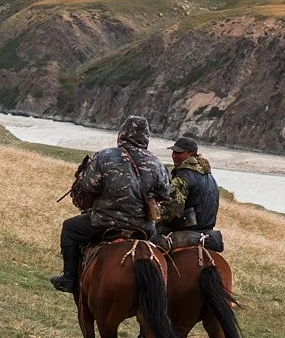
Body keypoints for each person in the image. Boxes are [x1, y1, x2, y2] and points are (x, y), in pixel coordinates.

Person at [50, 115, 170, 294]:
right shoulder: (157, 164)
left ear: (122, 134)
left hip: (104, 222)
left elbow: (87, 186)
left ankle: (69, 279)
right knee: (160, 255)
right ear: (146, 137)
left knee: (70, 229)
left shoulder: (105, 156)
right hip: (144, 227)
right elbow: (166, 194)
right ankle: (163, 291)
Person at [158, 134, 223, 252]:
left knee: (149, 243)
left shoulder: (183, 176)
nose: (174, 156)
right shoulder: (209, 176)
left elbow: (173, 208)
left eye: (179, 153)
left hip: (186, 229)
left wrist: (157, 217)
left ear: (191, 154)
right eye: (173, 152)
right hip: (207, 230)